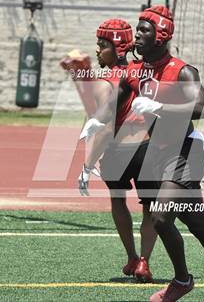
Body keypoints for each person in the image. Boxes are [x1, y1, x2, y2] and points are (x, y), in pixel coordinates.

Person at [82, 5, 204, 302]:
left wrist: (159, 108)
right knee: (198, 224)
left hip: (186, 152)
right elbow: (118, 100)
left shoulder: (182, 70)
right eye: (137, 29)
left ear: (161, 37)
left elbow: (202, 109)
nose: (136, 35)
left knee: (162, 219)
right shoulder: (137, 70)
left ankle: (182, 280)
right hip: (160, 153)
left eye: (144, 31)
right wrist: (97, 121)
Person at [61, 19, 158, 283]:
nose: (97, 50)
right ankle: (144, 262)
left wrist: (87, 165)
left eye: (102, 45)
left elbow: (103, 127)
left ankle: (132, 256)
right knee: (150, 205)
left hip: (120, 150)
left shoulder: (107, 80)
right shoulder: (142, 72)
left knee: (118, 199)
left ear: (117, 47)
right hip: (149, 147)